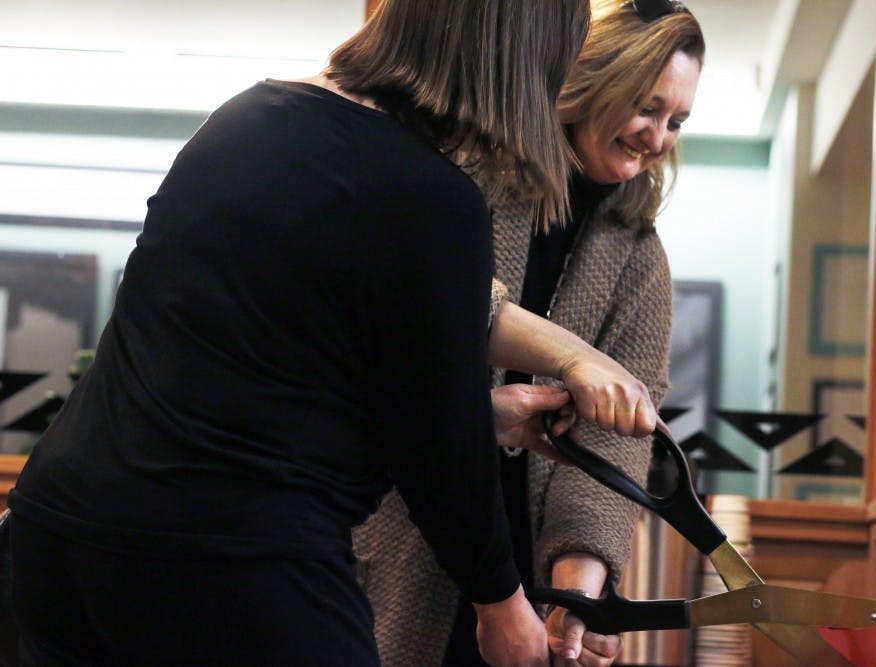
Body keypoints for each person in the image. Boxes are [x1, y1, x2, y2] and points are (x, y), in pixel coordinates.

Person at [4, 1, 665, 665]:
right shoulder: (432, 197)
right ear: (524, 66)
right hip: (230, 561)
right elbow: (440, 458)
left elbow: (256, 369)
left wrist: (481, 414)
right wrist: (502, 603)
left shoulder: (245, 118)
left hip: (56, 533)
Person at [355, 1, 706, 665]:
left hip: (526, 567)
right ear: (589, 81)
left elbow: (613, 447)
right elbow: (434, 320)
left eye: (676, 121)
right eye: (646, 106)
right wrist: (571, 362)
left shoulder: (640, 258)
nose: (657, 136)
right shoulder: (466, 178)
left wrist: (578, 594)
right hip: (403, 540)